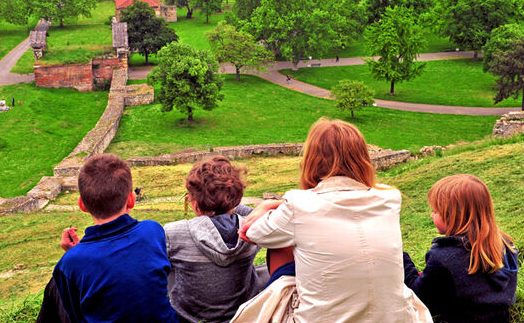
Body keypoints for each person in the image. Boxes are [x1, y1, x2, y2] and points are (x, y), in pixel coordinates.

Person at [239, 118, 429, 322]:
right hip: (394, 318)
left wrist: (266, 206)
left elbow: (252, 232)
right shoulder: (389, 198)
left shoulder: (299, 203)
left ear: (312, 159)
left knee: (279, 244)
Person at [43, 154, 179, 323]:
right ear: (131, 199)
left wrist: (76, 253)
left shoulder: (70, 263)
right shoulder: (153, 230)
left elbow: (76, 316)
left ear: (81, 205)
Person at [403, 174, 518, 323]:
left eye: (435, 211)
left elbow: (419, 297)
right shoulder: (505, 243)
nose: (431, 215)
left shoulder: (444, 258)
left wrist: (402, 259)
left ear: (454, 216)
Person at [164, 156, 264, 323]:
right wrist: (226, 199)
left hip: (190, 319)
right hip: (243, 315)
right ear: (235, 199)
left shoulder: (174, 232)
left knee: (171, 266)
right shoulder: (251, 227)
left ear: (194, 205)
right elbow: (263, 214)